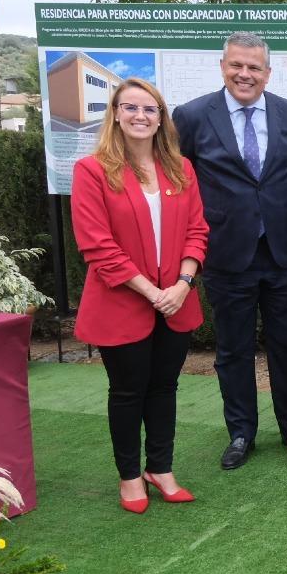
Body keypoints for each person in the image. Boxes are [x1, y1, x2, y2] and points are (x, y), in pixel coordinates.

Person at [172, 31, 287, 470]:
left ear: (268, 73)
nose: (245, 74)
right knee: (232, 351)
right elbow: (181, 185)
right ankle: (241, 433)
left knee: (286, 346)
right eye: (237, 65)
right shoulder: (192, 117)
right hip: (226, 256)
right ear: (223, 66)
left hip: (282, 255)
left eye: (254, 67)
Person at [71, 78, 209, 514]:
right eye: (130, 108)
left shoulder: (181, 169)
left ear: (161, 119)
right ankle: (130, 477)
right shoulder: (92, 170)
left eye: (150, 110)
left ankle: (161, 469)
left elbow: (197, 232)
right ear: (115, 113)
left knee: (165, 387)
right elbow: (97, 246)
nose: (140, 116)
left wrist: (182, 285)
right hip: (124, 303)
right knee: (128, 392)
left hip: (175, 299)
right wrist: (152, 292)